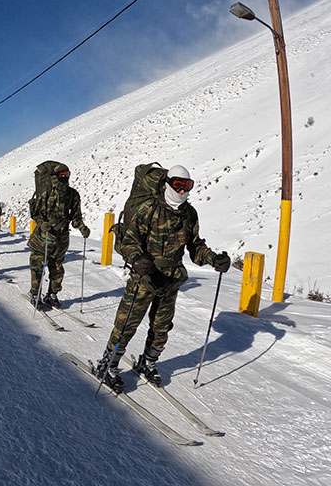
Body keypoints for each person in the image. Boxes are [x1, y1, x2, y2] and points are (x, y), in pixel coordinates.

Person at [94, 164, 231, 393]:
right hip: (144, 277)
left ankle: (148, 361)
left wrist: (214, 259)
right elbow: (129, 241)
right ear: (167, 184)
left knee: (161, 327)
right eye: (178, 185)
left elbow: (195, 247)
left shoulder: (189, 214)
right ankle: (108, 364)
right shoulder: (148, 209)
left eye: (187, 186)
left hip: (170, 280)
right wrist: (136, 258)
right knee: (126, 323)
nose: (182, 191)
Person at [27, 162, 91, 308]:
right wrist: (42, 224)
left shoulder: (73, 194)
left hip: (61, 238)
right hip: (43, 237)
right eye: (62, 175)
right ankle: (35, 293)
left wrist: (82, 227)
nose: (65, 178)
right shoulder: (46, 193)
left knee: (57, 267)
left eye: (67, 175)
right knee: (37, 265)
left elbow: (76, 216)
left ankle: (52, 294)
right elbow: (36, 214)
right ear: (55, 176)